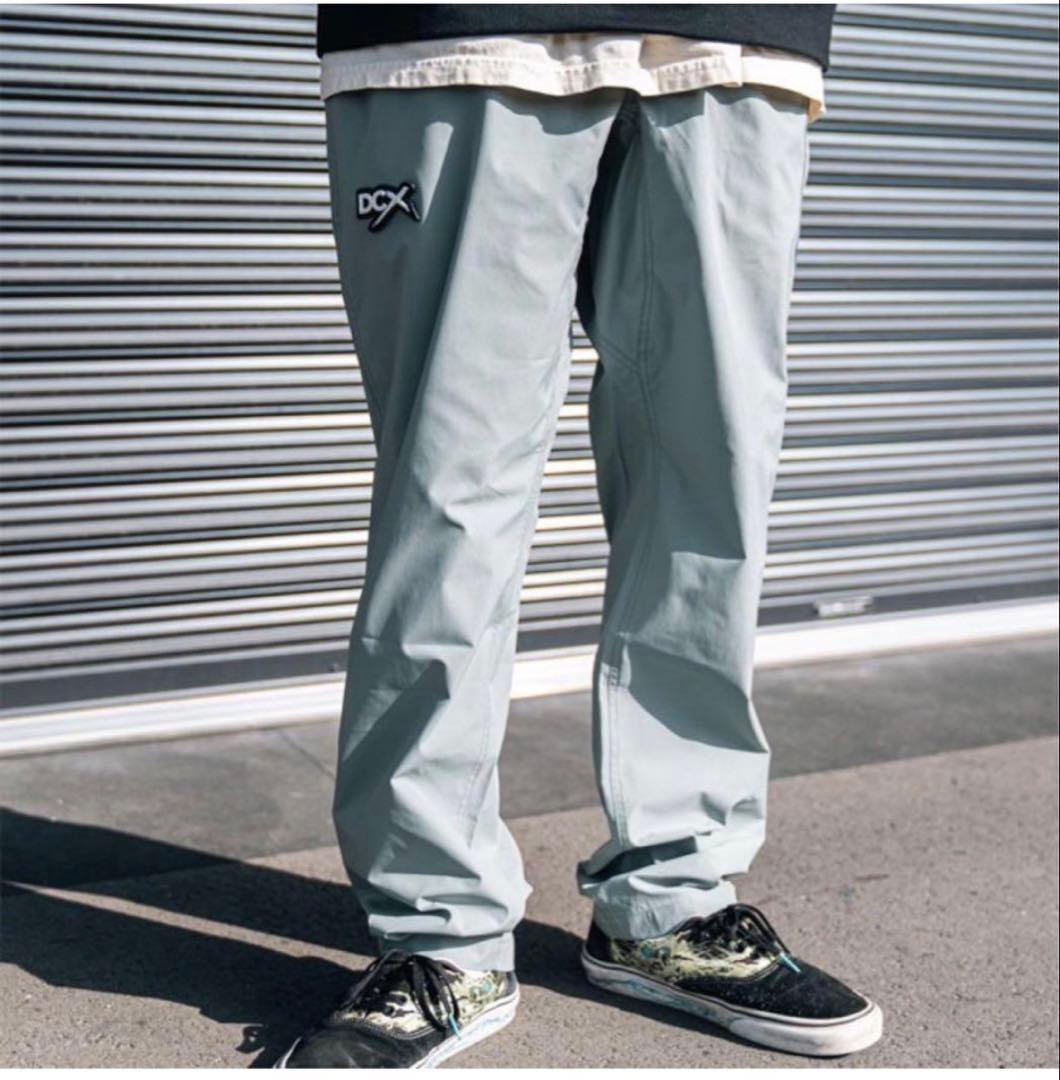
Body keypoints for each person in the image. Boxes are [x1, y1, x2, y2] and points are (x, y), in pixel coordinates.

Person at [278, 4, 883, 1068]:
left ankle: (670, 900)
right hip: (467, 33)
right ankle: (439, 932)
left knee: (710, 484)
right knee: (448, 490)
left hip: (736, 39)